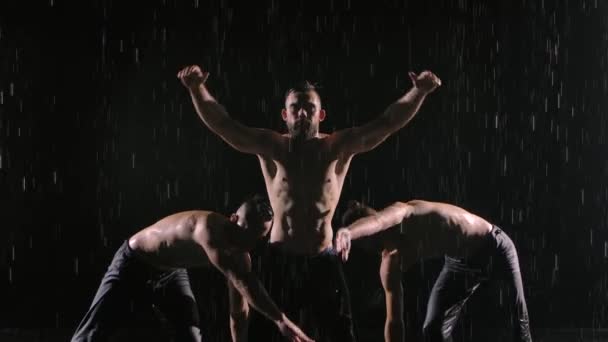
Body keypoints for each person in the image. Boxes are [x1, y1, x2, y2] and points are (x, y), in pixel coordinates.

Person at [177, 65, 441, 341]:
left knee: (341, 336)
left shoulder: (337, 148)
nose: (302, 114)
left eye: (309, 108)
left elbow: (386, 123)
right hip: (280, 261)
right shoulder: (272, 147)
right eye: (295, 108)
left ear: (321, 114)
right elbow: (224, 126)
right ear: (285, 114)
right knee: (266, 335)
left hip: (323, 261)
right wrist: (197, 88)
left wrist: (419, 91)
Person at [71, 195, 314, 342]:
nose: (247, 242)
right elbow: (244, 283)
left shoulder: (240, 260)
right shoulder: (208, 229)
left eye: (256, 238)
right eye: (245, 232)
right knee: (91, 334)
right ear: (233, 219)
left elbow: (238, 315)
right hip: (134, 263)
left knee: (191, 337)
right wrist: (280, 320)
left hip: (172, 273)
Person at [335, 200, 532, 342]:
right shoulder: (390, 262)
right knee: (433, 329)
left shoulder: (402, 212)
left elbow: (379, 220)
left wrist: (348, 232)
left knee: (518, 324)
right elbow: (394, 321)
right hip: (459, 264)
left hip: (493, 246)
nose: (373, 246)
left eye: (367, 235)